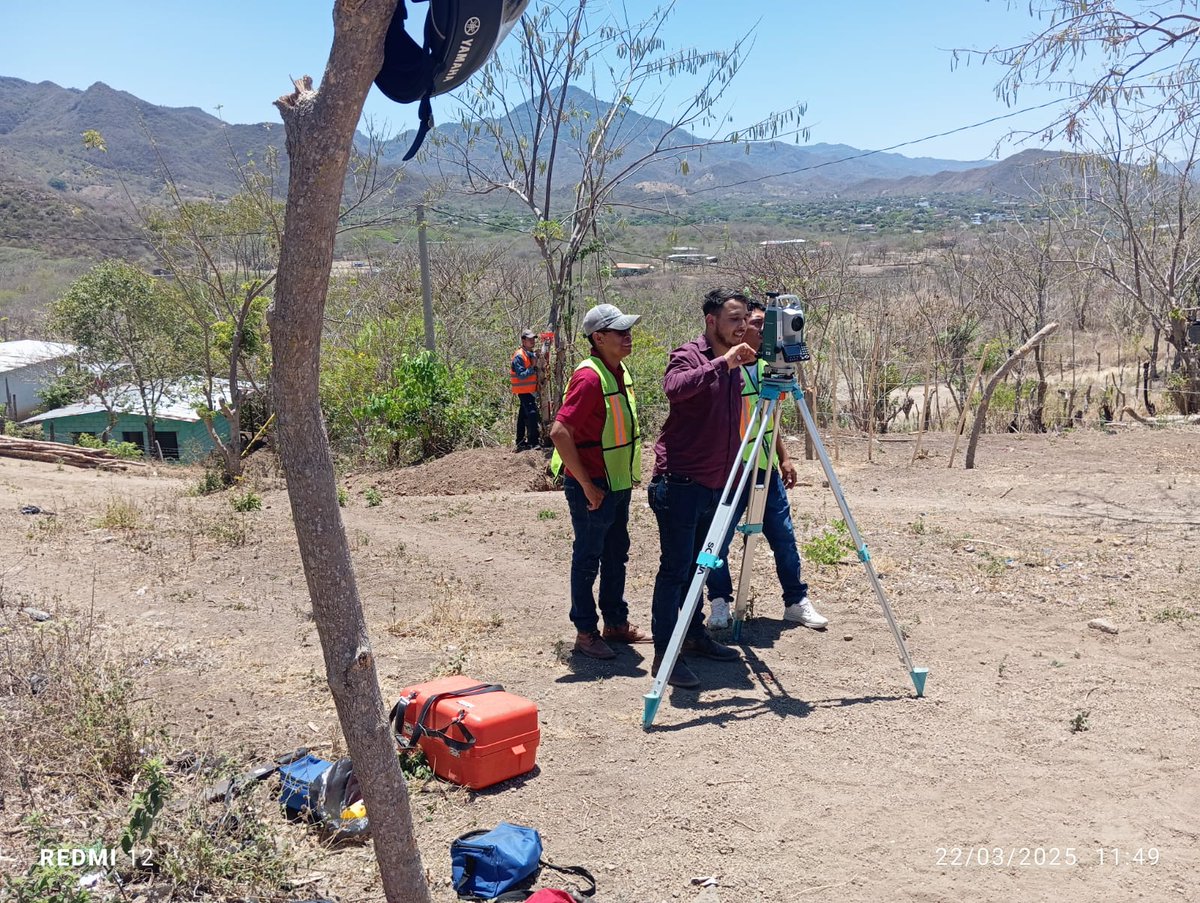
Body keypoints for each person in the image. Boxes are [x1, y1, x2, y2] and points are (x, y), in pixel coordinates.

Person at [647, 288, 758, 689]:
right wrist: (721, 364)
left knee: (702, 567)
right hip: (680, 483)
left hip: (718, 485)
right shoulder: (689, 354)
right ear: (711, 321)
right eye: (733, 318)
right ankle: (664, 653)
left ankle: (693, 636)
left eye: (744, 318)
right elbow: (674, 387)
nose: (741, 325)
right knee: (675, 571)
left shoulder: (741, 358)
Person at [706, 300, 828, 630]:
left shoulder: (765, 370)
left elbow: (768, 422)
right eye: (755, 323)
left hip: (764, 468)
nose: (758, 329)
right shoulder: (724, 366)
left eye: (762, 324)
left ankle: (795, 601)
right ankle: (719, 602)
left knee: (784, 538)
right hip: (731, 470)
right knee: (717, 539)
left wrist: (785, 457)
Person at [550, 304, 652, 660]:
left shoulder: (618, 370)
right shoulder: (590, 377)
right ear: (598, 338)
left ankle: (615, 624)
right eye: (620, 331)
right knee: (588, 558)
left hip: (616, 483)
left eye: (628, 329)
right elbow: (559, 432)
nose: (628, 336)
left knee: (615, 555)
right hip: (592, 485)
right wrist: (587, 485)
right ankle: (585, 632)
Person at [510, 329, 541, 451]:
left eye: (533, 339)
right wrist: (533, 367)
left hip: (529, 390)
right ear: (523, 341)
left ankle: (521, 441)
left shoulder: (529, 353)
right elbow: (521, 375)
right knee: (532, 414)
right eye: (530, 339)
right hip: (523, 391)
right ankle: (533, 442)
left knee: (523, 415)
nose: (532, 341)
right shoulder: (519, 356)